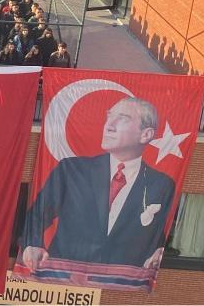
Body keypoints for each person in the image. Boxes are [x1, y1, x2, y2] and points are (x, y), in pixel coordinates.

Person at [20, 97, 175, 272]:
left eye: (122, 118)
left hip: (119, 285)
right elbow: (37, 215)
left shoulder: (161, 184)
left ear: (145, 134)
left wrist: (157, 250)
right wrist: (32, 244)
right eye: (109, 116)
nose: (108, 125)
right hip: (64, 277)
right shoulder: (71, 170)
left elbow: (160, 234)